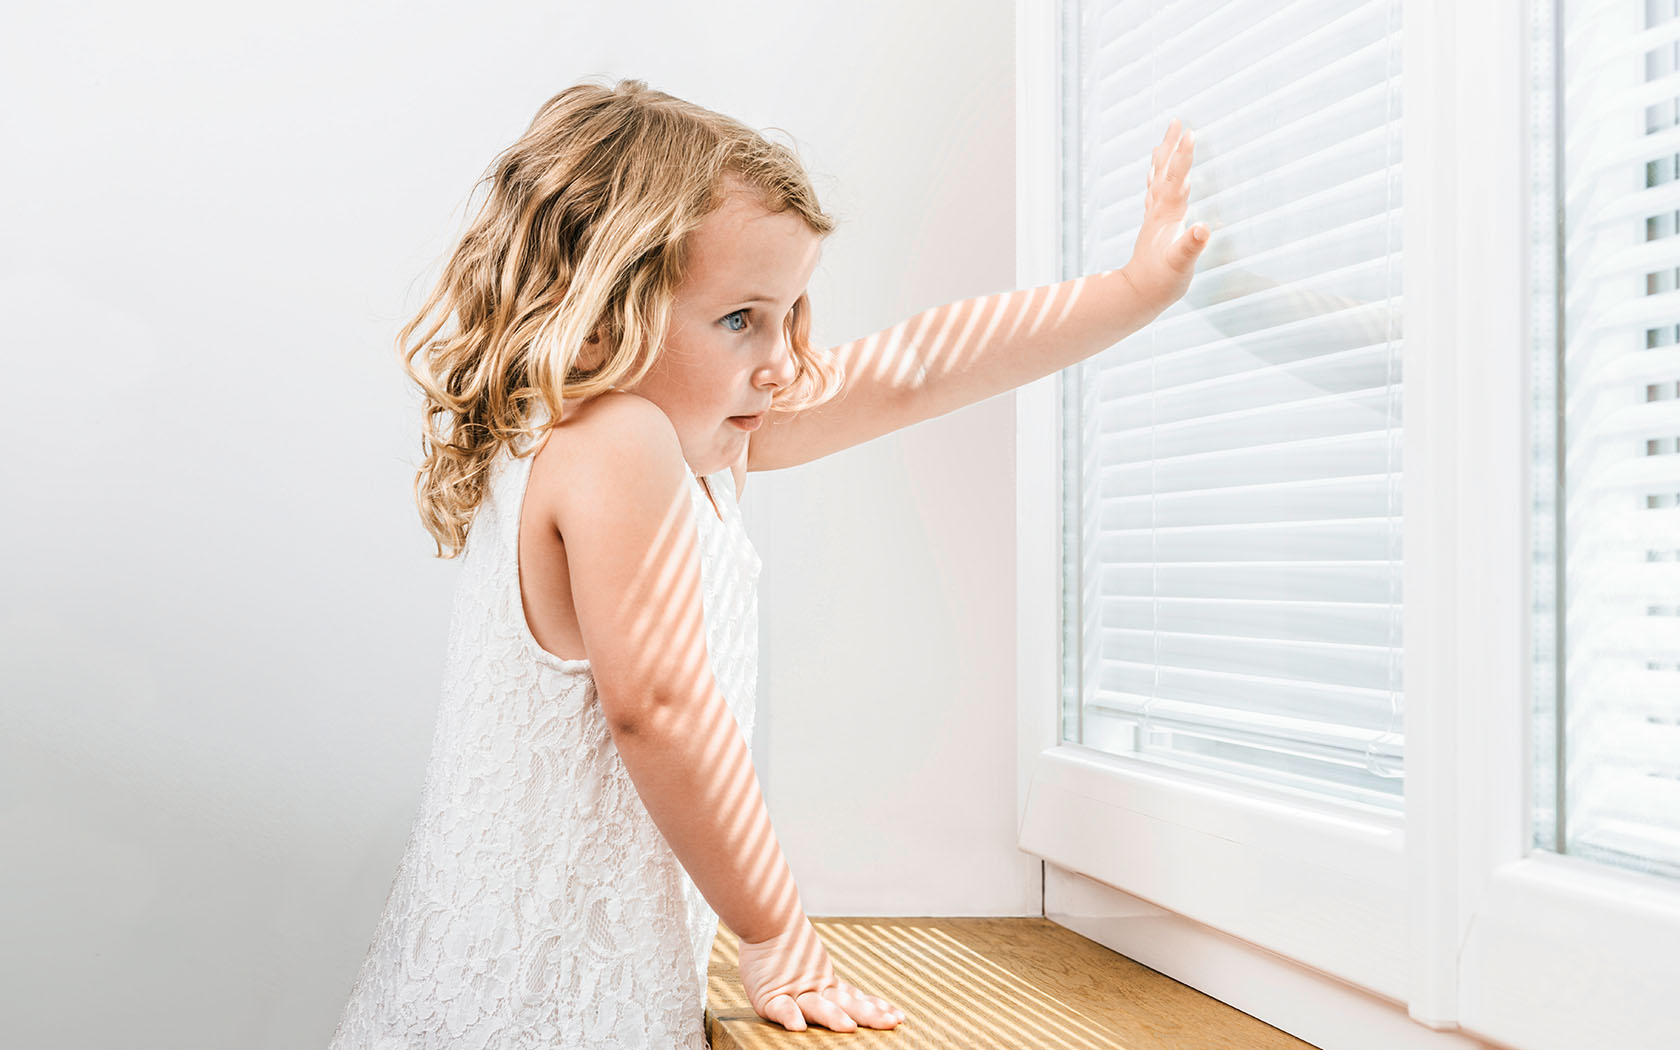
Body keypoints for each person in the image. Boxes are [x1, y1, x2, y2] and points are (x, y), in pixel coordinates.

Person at [327, 76, 1208, 1050]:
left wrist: (1132, 292)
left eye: (791, 313)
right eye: (742, 318)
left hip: (513, 972)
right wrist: (777, 931)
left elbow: (915, 368)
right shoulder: (620, 440)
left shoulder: (638, 426)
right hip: (539, 1008)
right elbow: (657, 709)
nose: (784, 359)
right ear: (610, 309)